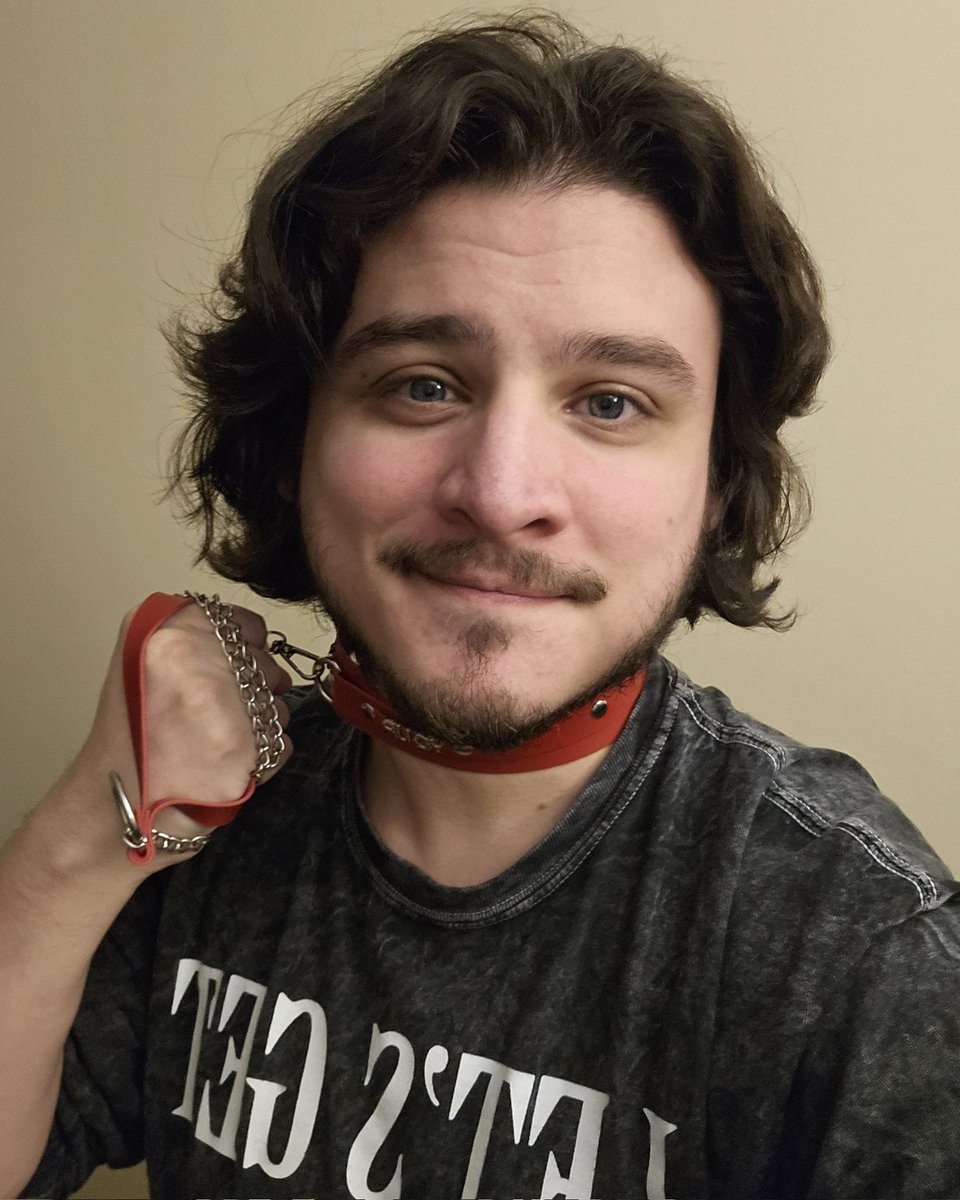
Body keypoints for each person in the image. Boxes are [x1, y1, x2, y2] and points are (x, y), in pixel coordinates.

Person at [3, 14, 958, 1200]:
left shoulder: (856, 949)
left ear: (716, 487)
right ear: (294, 442)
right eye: (422, 385)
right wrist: (86, 836)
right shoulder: (199, 821)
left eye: (610, 403)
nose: (501, 495)